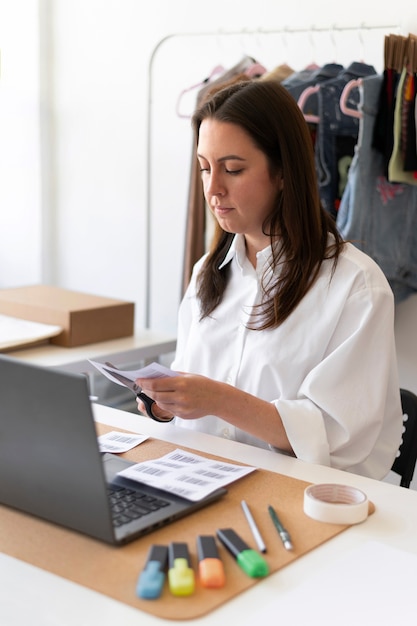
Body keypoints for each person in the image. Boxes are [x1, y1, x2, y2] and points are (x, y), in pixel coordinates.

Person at [136, 79, 403, 480]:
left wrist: (217, 399)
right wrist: (167, 402)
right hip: (200, 482)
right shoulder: (208, 274)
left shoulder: (355, 286)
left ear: (283, 172)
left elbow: (335, 436)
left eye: (233, 169)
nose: (213, 188)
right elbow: (189, 389)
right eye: (205, 168)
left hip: (299, 498)